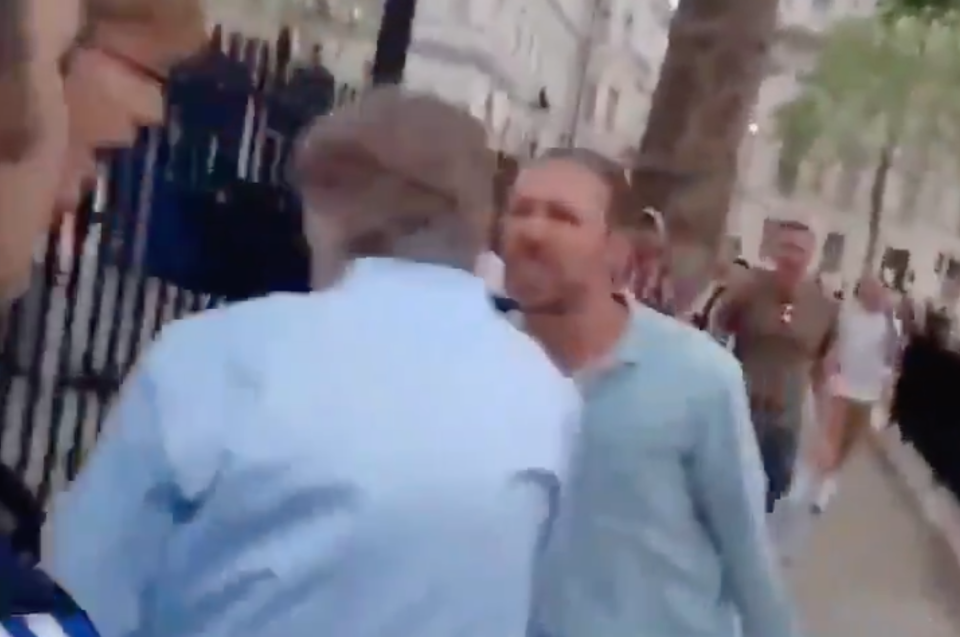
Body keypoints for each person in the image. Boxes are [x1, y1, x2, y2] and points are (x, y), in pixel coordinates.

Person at [45, 88, 581, 637]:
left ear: (323, 211)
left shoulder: (216, 359)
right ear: (477, 220)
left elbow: (83, 589)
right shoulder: (546, 393)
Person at [503, 148, 798, 637]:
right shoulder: (483, 366)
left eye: (563, 217)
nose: (533, 231)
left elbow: (748, 555)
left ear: (616, 248)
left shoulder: (698, 377)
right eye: (521, 210)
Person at [714, 219, 838, 513]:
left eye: (799, 249)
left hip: (785, 423)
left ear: (811, 256)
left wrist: (824, 435)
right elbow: (715, 336)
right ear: (774, 250)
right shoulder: (749, 290)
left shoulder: (824, 307)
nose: (791, 256)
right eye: (786, 247)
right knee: (724, 497)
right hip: (741, 413)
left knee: (769, 497)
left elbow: (824, 374)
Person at [817, 274, 898, 511]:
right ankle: (823, 482)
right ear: (861, 293)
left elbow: (892, 359)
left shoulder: (888, 325)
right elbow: (836, 345)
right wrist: (828, 370)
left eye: (877, 291)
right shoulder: (848, 316)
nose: (873, 295)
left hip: (868, 393)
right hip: (842, 387)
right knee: (833, 437)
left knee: (849, 441)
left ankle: (830, 475)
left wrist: (885, 402)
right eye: (868, 290)